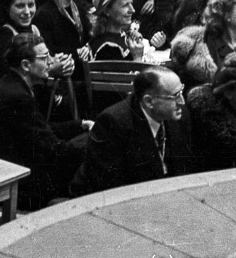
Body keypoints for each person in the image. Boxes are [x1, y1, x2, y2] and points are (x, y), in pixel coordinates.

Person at [0, 34, 86, 210]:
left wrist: (81, 125)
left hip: (8, 172)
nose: (50, 61)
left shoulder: (13, 84)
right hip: (16, 185)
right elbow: (53, 149)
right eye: (44, 57)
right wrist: (93, 141)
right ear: (26, 65)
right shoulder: (17, 96)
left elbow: (42, 130)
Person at [70, 66, 195, 196]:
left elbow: (185, 169)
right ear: (149, 101)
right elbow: (112, 187)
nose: (182, 101)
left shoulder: (180, 116)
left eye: (181, 92)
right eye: (175, 96)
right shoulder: (113, 123)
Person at [33, 0, 92, 80]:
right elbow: (48, 49)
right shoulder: (45, 14)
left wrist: (87, 48)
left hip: (81, 70)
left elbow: (88, 36)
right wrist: (76, 53)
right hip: (62, 76)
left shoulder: (77, 6)